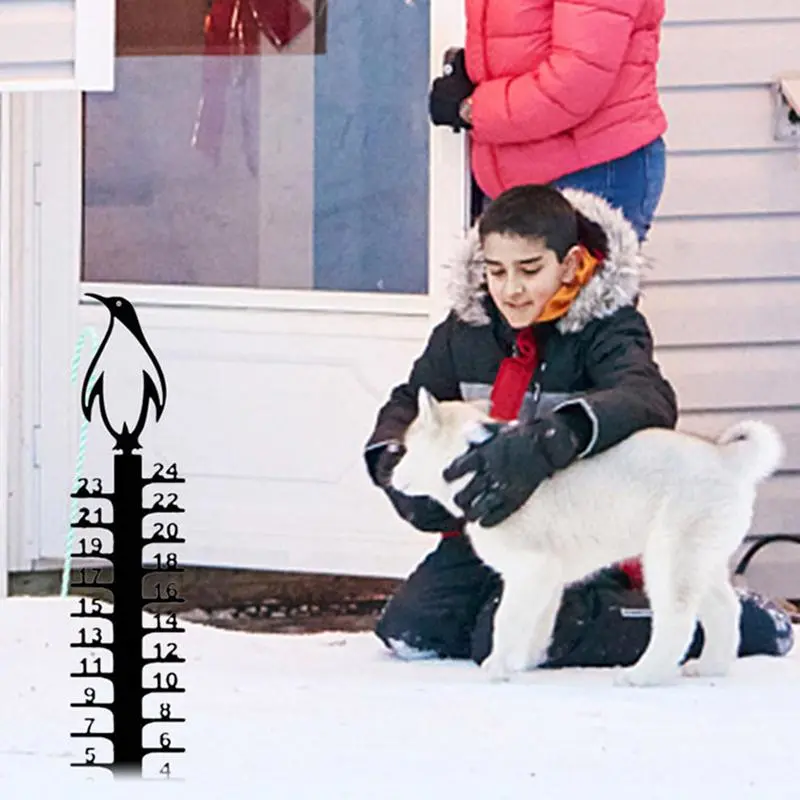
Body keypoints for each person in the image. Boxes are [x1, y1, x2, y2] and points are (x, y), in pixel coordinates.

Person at [363, 184, 794, 668]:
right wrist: (393, 462)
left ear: (568, 265)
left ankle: (721, 627)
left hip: (584, 530)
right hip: (497, 523)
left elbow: (645, 398)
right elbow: (412, 400)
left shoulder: (607, 327)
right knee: (414, 628)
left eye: (529, 270)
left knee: (517, 638)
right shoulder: (465, 330)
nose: (511, 289)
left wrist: (555, 438)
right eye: (496, 271)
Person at [428, 0, 669, 241]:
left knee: (572, 277)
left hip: (592, 170)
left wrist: (471, 109)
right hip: (518, 172)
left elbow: (575, 82)